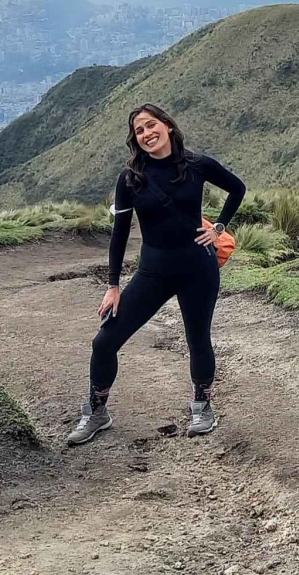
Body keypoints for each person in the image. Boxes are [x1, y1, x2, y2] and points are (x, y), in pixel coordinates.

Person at [66, 103, 246, 445]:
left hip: (198, 268)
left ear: (167, 126)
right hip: (153, 271)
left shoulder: (197, 165)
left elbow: (237, 189)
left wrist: (219, 228)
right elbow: (119, 234)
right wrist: (113, 285)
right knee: (104, 341)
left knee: (198, 339)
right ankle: (97, 412)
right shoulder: (130, 178)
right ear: (135, 139)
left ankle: (202, 405)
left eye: (151, 126)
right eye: (139, 131)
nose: (147, 134)